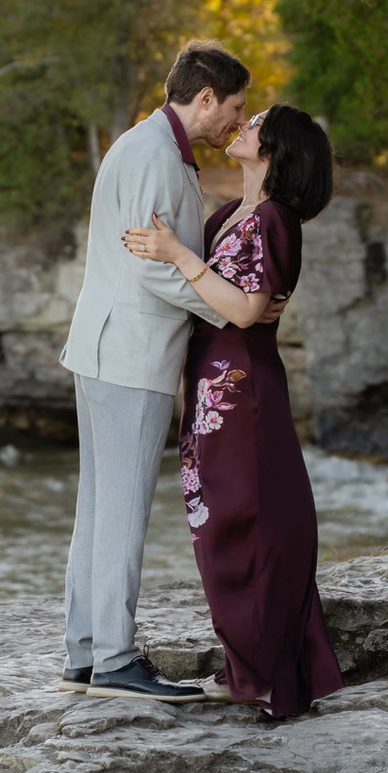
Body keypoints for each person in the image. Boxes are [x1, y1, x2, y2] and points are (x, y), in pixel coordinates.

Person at [123, 103, 344, 718]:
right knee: (216, 530)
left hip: (244, 396)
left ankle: (268, 674)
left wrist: (179, 256)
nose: (243, 127)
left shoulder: (277, 218)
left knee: (250, 528)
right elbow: (222, 299)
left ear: (275, 149)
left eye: (256, 123)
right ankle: (246, 667)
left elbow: (246, 311)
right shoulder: (229, 215)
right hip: (209, 388)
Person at [60, 40, 262, 703]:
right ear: (204, 98)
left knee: (99, 507)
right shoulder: (153, 155)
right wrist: (223, 307)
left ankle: (86, 651)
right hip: (130, 353)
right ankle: (115, 659)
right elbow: (152, 268)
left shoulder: (149, 145)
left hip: (110, 350)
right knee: (119, 511)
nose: (236, 122)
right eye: (232, 109)